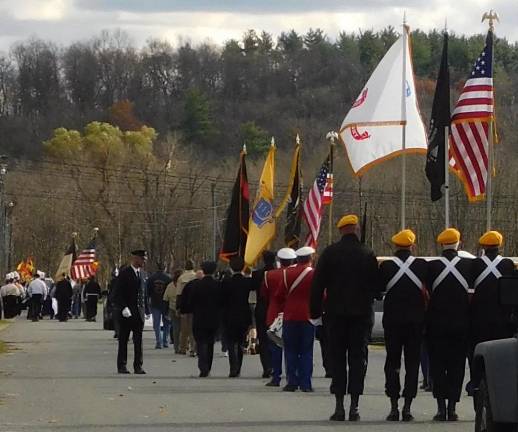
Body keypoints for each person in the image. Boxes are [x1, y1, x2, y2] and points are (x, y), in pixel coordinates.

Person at [310, 214, 381, 422]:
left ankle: (339, 405)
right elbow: (377, 288)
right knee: (358, 360)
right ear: (356, 229)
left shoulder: (330, 253)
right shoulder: (367, 253)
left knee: (338, 359)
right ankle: (355, 407)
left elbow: (317, 286)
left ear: (341, 230)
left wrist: (315, 315)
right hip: (361, 316)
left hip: (336, 315)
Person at [379, 229, 428, 421]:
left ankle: (393, 406)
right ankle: (408, 406)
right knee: (412, 363)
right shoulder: (422, 266)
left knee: (392, 363)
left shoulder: (387, 267)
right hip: (416, 322)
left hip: (393, 322)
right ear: (412, 246)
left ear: (395, 247)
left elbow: (378, 290)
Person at [426, 228, 472, 421]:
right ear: (459, 244)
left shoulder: (432, 267)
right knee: (457, 366)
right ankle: (452, 407)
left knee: (437, 366)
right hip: (461, 326)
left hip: (436, 326)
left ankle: (440, 408)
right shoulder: (469, 266)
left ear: (441, 245)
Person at [468, 232, 515, 386]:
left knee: (478, 358)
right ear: (499, 245)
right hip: (502, 322)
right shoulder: (508, 265)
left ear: (484, 246)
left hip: (478, 322)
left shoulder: (475, 265)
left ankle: (477, 384)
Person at [278, 246, 316, 392]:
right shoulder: (313, 274)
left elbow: (279, 294)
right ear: (310, 258)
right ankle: (306, 383)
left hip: (290, 315)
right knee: (306, 351)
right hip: (308, 316)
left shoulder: (287, 273)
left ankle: (292, 381)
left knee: (291, 350)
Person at [262, 247, 297, 387]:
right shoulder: (295, 274)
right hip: (292, 314)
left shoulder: (269, 275)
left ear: (280, 260)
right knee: (293, 348)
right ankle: (293, 376)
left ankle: (276, 376)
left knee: (275, 348)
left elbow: (264, 295)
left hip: (274, 314)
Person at [114, 250, 150, 374]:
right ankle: (122, 365)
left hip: (139, 312)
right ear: (135, 259)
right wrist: (123, 307)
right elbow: (117, 293)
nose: (144, 261)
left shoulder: (143, 274)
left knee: (138, 341)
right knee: (124, 340)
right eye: (142, 259)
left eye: (144, 259)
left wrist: (147, 309)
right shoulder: (125, 274)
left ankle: (138, 366)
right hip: (127, 313)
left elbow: (144, 294)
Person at [185, 261, 222, 377]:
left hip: (199, 318)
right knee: (210, 343)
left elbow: (190, 302)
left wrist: (189, 310)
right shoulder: (218, 285)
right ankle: (208, 366)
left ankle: (203, 367)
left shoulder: (196, 285)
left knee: (201, 343)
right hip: (214, 318)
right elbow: (222, 302)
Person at [221, 256, 253, 377]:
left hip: (229, 314)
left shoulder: (226, 282)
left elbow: (222, 299)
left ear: (231, 267)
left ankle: (232, 367)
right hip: (243, 314)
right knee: (240, 342)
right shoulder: (246, 282)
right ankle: (238, 366)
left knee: (230, 342)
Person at [252, 250, 276, 378]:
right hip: (275, 309)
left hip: (261, 309)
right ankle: (275, 366)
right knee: (276, 339)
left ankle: (266, 366)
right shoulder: (279, 274)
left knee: (263, 339)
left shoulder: (257, 274)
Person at [147, 264, 173, 349]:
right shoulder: (169, 278)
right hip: (166, 303)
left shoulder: (151, 278)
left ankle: (159, 342)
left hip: (155, 302)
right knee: (167, 323)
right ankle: (165, 341)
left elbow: (148, 291)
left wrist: (148, 300)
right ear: (164, 268)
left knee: (156, 323)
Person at [176, 260, 197, 356]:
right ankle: (193, 348)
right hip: (194, 307)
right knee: (193, 329)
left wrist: (178, 307)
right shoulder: (196, 276)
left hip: (184, 306)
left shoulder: (181, 278)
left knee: (183, 329)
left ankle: (183, 348)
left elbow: (179, 294)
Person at [163, 269, 184, 352]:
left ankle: (176, 347)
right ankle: (184, 345)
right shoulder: (183, 285)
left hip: (172, 308)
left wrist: (165, 311)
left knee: (176, 329)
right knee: (184, 329)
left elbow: (165, 298)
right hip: (183, 309)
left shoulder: (170, 286)